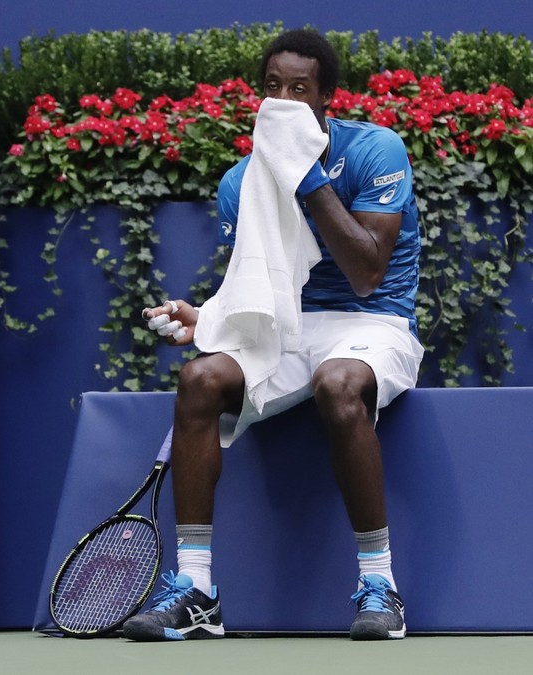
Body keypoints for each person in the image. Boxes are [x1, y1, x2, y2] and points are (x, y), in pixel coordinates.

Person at [123, 28, 424, 642]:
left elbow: (367, 274)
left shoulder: (377, 150)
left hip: (374, 325)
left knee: (337, 384)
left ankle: (380, 586)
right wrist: (205, 319)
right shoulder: (240, 183)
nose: (282, 100)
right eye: (271, 88)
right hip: (288, 328)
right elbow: (259, 288)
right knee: (201, 377)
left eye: (299, 89)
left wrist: (306, 176)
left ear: (325, 99)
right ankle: (198, 593)